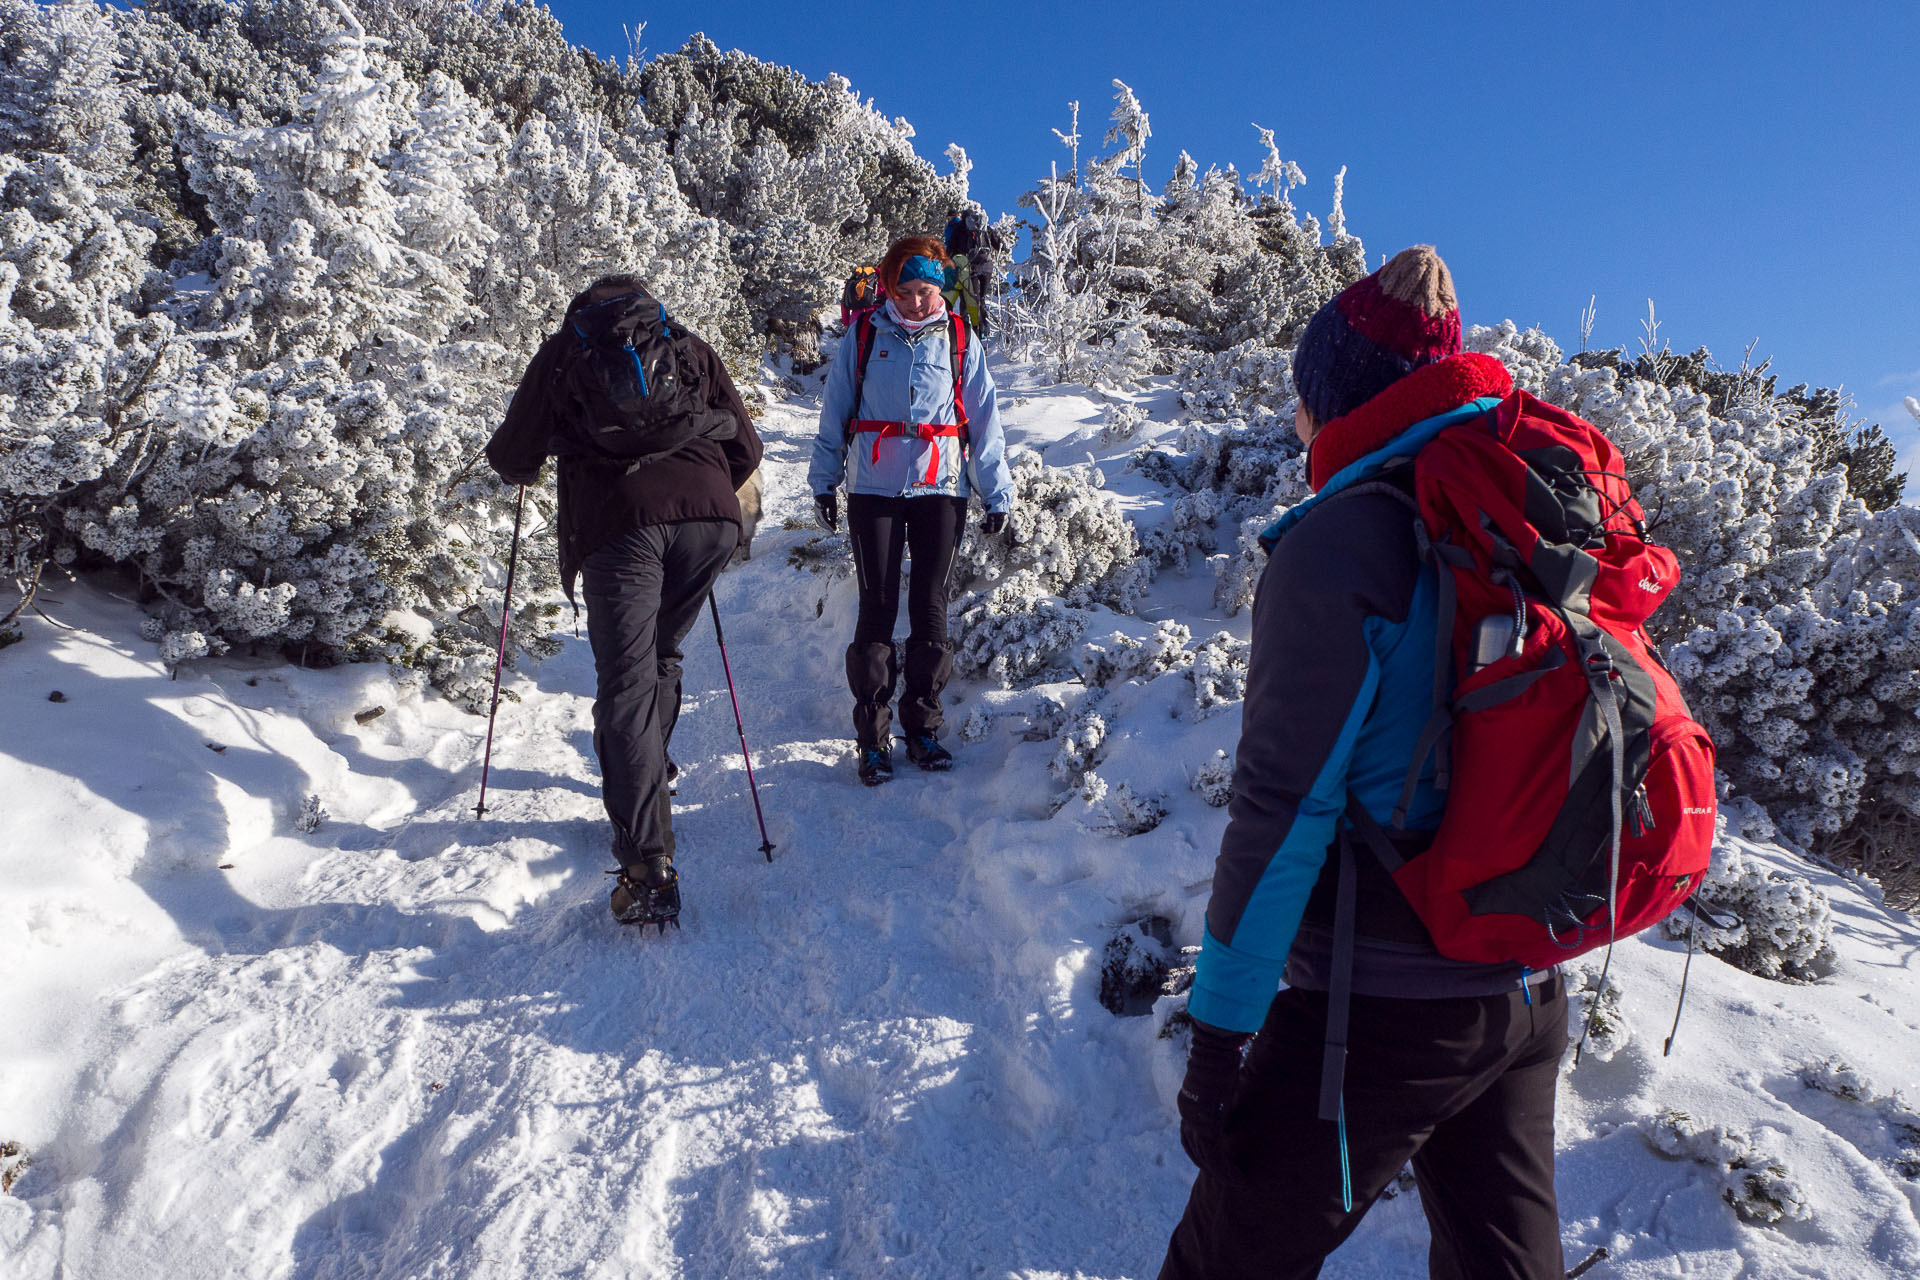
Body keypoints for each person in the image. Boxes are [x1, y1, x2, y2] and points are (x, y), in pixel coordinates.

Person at [1160, 247, 1567, 1279]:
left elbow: (1282, 808)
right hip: (1524, 981)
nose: (1295, 419)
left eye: (1306, 397)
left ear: (1337, 401)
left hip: (1387, 1001)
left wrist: (1217, 1035)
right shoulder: (1514, 508)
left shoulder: (1343, 543)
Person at [486, 274, 763, 929]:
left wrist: (529, 464)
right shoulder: (687, 345)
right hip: (710, 520)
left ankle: (646, 868)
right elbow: (746, 447)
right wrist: (703, 489)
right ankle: (651, 780)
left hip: (619, 524)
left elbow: (514, 453)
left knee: (627, 681)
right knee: (661, 654)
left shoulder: (566, 353)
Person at [809, 236, 1014, 785]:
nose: (919, 302)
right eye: (907, 291)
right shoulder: (865, 333)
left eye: (927, 291)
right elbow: (836, 410)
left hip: (941, 488)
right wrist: (824, 481)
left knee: (930, 606)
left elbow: (984, 419)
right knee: (876, 606)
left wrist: (996, 491)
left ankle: (922, 729)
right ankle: (872, 740)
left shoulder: (960, 337)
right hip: (873, 489)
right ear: (888, 289)